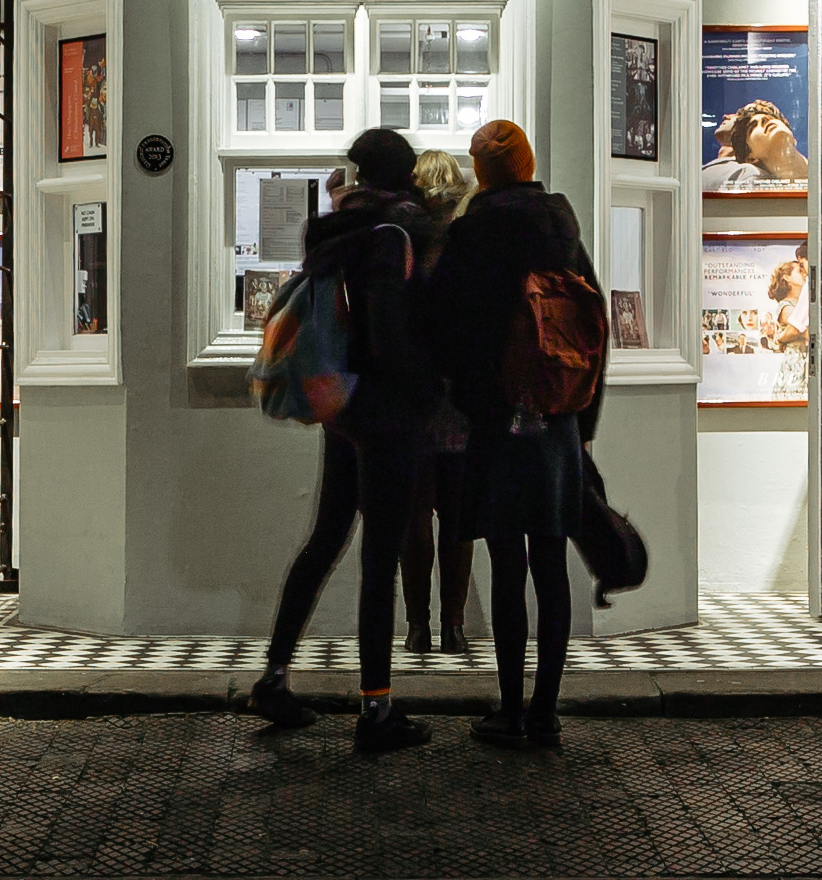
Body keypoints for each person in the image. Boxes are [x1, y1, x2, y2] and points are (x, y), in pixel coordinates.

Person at [246, 126, 445, 752]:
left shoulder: (337, 228)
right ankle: (377, 709)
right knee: (379, 556)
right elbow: (388, 331)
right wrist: (423, 388)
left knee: (326, 538)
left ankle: (275, 677)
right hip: (385, 410)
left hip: (342, 407)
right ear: (402, 175)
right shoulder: (392, 233)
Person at [414, 115, 602, 751]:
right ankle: (547, 710)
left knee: (506, 563)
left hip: (497, 422)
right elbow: (595, 326)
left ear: (484, 171)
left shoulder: (474, 233)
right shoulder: (563, 227)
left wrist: (467, 398)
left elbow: (445, 325)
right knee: (550, 563)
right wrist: (582, 424)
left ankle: (511, 707)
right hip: (558, 420)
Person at [397, 148, 481, 660]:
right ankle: (453, 627)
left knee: (413, 521)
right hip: (462, 402)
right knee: (458, 519)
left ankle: (416, 627)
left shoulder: (403, 243)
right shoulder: (470, 245)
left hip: (414, 403)